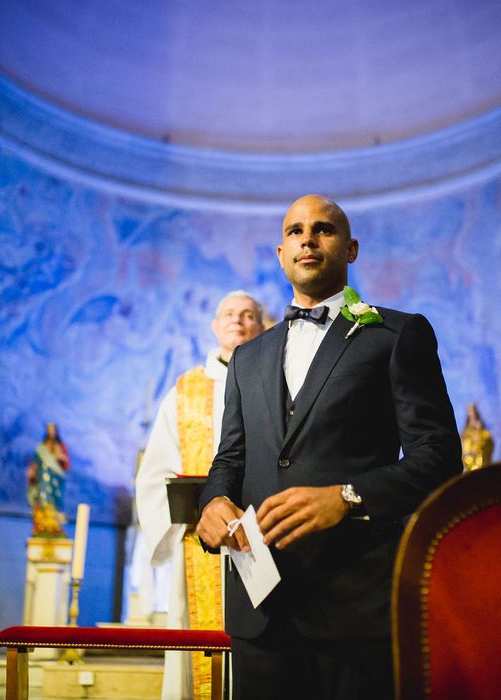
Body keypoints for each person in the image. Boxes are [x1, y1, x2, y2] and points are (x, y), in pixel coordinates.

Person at [196, 195, 462, 700]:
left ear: (351, 248)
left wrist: (346, 496)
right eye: (296, 231)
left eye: (324, 229)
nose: (308, 239)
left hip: (357, 607)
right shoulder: (247, 357)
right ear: (281, 253)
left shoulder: (396, 334)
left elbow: (440, 457)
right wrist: (213, 501)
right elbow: (230, 458)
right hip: (262, 610)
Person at [135, 290, 264, 700]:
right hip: (199, 543)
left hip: (263, 539)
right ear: (214, 324)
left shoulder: (276, 382)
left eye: (248, 315)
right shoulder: (185, 391)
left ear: (262, 326)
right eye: (229, 313)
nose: (238, 321)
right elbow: (155, 471)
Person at [27, 422, 71, 535]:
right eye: (49, 430)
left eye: (53, 431)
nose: (51, 433)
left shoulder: (60, 447)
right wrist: (32, 472)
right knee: (43, 497)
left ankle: (55, 524)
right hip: (44, 479)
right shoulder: (42, 447)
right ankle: (43, 524)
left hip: (56, 480)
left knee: (55, 500)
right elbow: (35, 462)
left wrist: (61, 458)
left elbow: (66, 464)